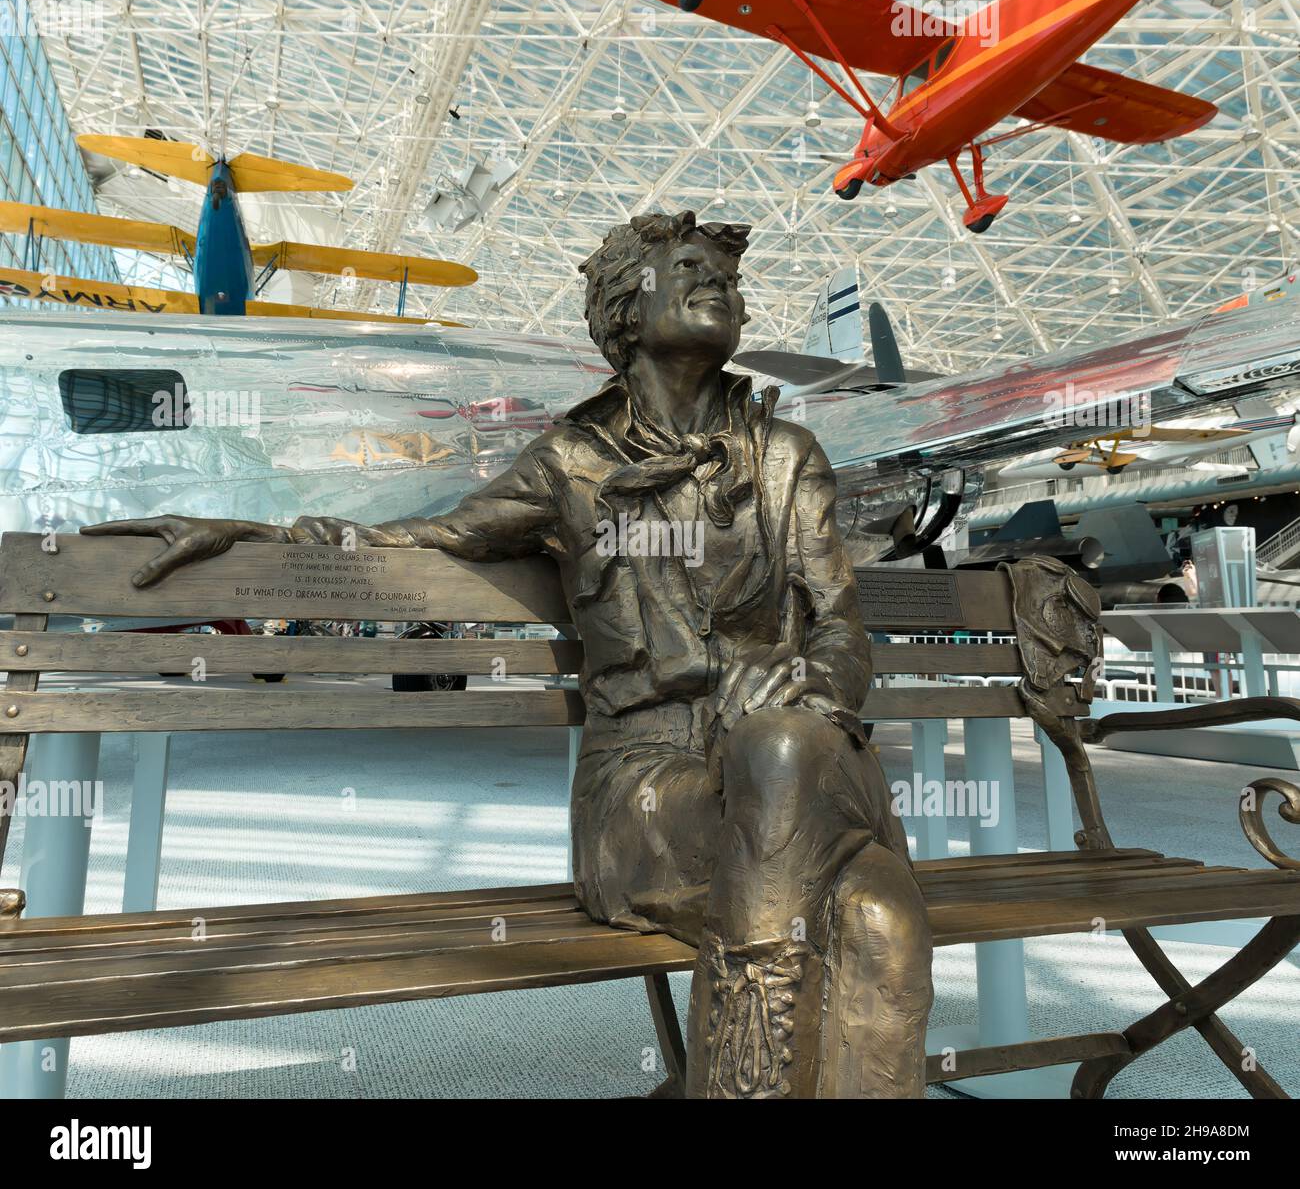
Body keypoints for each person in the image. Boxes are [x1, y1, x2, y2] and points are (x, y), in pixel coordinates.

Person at [86, 210, 933, 1098]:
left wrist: (810, 672)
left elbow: (840, 629)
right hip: (648, 788)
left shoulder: (789, 458)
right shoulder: (568, 462)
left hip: (795, 780)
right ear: (627, 309)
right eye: (691, 268)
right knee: (877, 918)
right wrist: (255, 536)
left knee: (804, 783)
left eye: (728, 275)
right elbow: (422, 538)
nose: (720, 284)